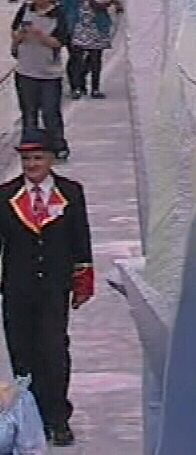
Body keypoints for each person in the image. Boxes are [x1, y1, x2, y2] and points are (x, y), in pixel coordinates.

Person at [0, 129, 92, 447]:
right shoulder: (6, 195)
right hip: (16, 289)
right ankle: (30, 417)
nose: (31, 165)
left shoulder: (71, 193)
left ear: (51, 159)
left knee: (53, 352)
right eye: (26, 159)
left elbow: (81, 239)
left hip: (54, 288)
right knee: (22, 355)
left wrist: (82, 281)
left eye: (38, 158)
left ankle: (58, 418)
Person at [9, 0, 68, 161]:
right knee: (28, 112)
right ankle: (29, 147)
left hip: (49, 74)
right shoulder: (26, 10)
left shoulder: (58, 14)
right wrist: (19, 37)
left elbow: (60, 42)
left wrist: (40, 34)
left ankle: (57, 146)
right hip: (25, 71)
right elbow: (14, 32)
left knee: (50, 112)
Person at [55, 0, 112, 102]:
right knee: (76, 57)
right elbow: (64, 2)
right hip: (77, 23)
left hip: (96, 22)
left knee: (95, 57)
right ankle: (76, 86)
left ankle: (95, 87)